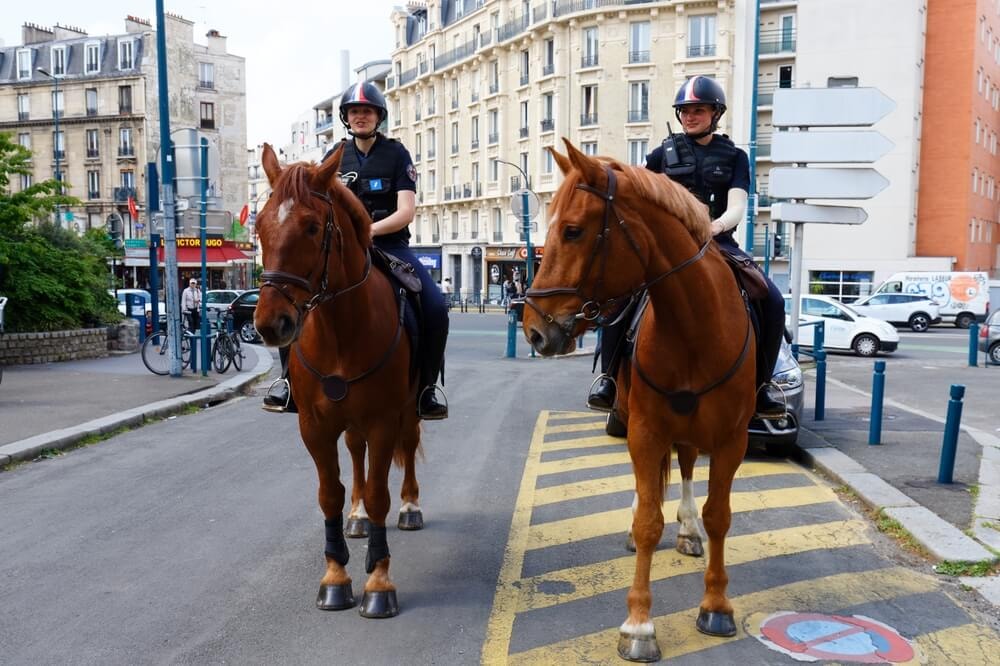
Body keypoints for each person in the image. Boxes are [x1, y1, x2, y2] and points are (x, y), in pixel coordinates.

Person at [587, 75, 786, 419]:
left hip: (719, 241)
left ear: (715, 113)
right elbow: (636, 194)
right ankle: (609, 381)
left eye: (698, 109)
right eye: (685, 110)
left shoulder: (736, 156)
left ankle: (763, 386)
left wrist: (717, 225)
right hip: (667, 250)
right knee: (620, 299)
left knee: (771, 298)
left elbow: (738, 204)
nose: (690, 116)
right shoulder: (660, 155)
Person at [264, 81, 449, 420]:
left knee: (436, 306)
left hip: (390, 245)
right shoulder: (335, 155)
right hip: (341, 248)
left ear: (379, 116)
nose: (360, 116)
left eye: (367, 111)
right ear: (346, 118)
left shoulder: (397, 154)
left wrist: (369, 231)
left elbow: (406, 211)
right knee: (295, 297)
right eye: (354, 111)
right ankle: (289, 383)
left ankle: (426, 389)